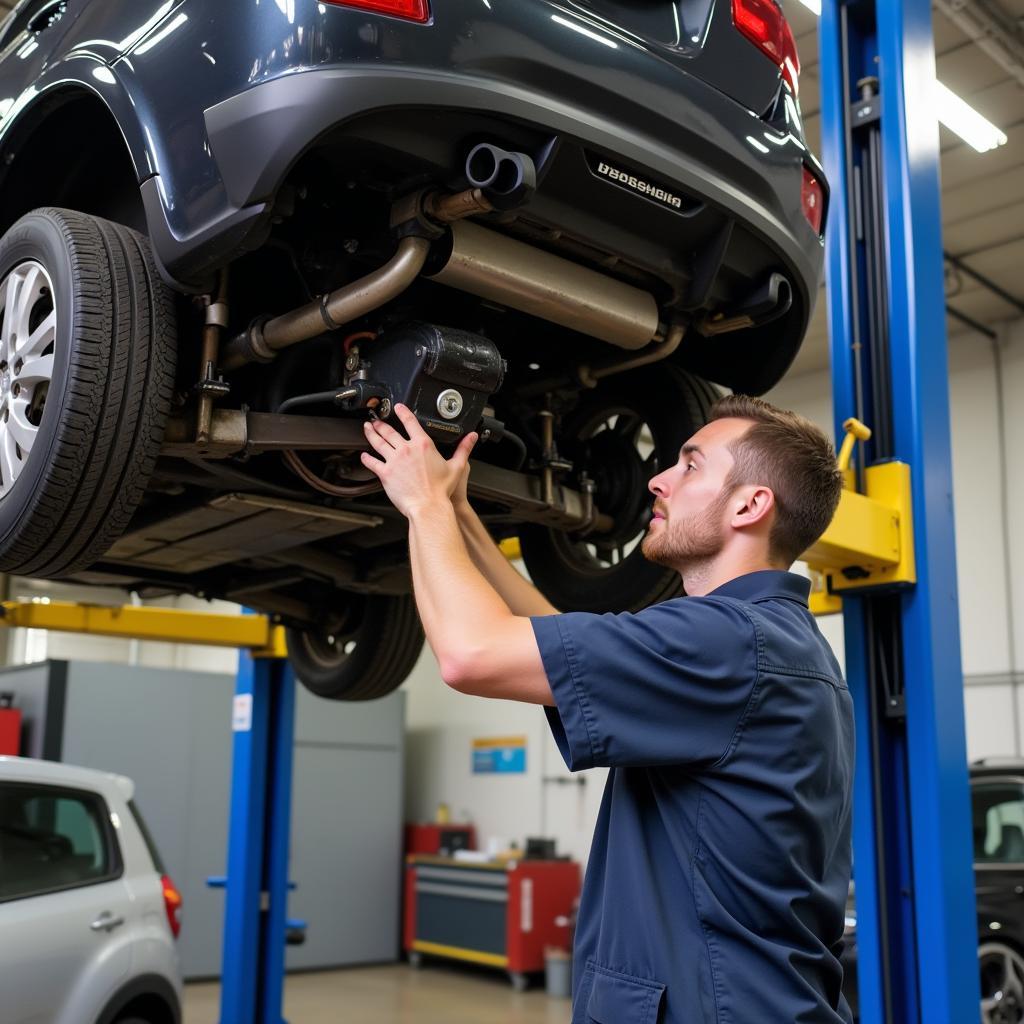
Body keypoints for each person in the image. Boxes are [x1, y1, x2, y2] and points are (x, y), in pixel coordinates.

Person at [360, 393, 854, 1024]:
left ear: (750, 505)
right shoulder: (766, 643)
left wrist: (421, 504)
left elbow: (470, 654)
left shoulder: (727, 644)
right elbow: (553, 641)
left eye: (690, 465)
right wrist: (458, 516)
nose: (658, 478)